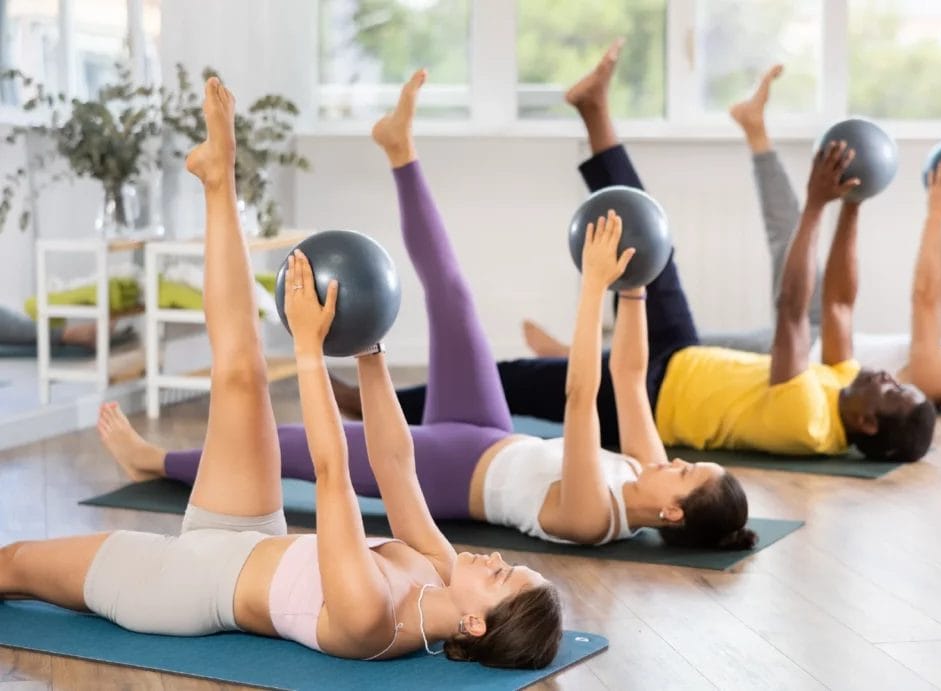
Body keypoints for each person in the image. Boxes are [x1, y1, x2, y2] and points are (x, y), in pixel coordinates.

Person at [2, 76, 562, 669]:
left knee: (13, 564)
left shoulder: (371, 619)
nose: (494, 562)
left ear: (474, 624)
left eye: (503, 577)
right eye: (509, 564)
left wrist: (308, 351)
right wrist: (370, 352)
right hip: (251, 532)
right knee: (241, 373)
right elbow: (397, 466)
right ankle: (219, 177)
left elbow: (331, 475)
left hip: (183, 585)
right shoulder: (437, 568)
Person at [98, 71, 756, 552]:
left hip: (448, 472)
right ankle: (399, 150)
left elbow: (583, 396)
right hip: (491, 431)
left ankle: (153, 461)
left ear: (670, 513)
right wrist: (636, 285)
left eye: (688, 473)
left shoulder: (593, 517)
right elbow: (629, 379)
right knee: (454, 296)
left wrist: (593, 286)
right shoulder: (645, 470)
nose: (676, 461)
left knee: (288, 447)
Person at [366, 42, 936, 462]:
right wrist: (854, 207)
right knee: (652, 236)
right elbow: (837, 306)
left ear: (864, 423)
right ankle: (595, 111)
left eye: (891, 391)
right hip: (679, 352)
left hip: (645, 395)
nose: (886, 375)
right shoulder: (844, 384)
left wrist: (816, 205)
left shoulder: (809, 421)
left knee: (514, 380)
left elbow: (793, 309)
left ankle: (370, 406)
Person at [527, 63, 941, 412]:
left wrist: (933, 216)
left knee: (678, 350)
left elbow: (924, 297)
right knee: (788, 231)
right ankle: (755, 129)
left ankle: (573, 356)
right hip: (822, 328)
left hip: (796, 360)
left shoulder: (937, 381)